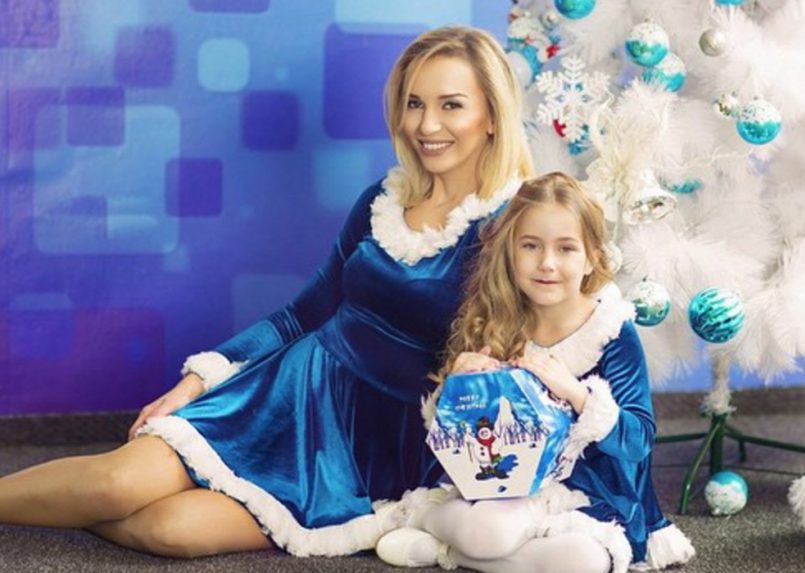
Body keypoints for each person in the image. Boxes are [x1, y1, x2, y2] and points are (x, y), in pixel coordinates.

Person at [0, 26, 533, 558]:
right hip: (285, 399)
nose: (426, 124)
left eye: (451, 105)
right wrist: (196, 381)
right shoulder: (384, 200)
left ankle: (73, 509)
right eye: (414, 103)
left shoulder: (514, 226)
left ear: (492, 116)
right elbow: (305, 312)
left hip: (369, 453)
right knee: (115, 487)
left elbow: (536, 341)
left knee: (170, 530)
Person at [376, 173, 695, 573]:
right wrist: (458, 386)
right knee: (491, 532)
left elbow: (638, 441)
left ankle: (449, 551)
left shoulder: (611, 331)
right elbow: (466, 437)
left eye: (566, 248)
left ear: (592, 257)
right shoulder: (498, 323)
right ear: (511, 252)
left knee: (587, 562)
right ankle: (427, 516)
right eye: (530, 246)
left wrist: (578, 396)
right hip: (509, 491)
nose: (547, 263)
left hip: (591, 498)